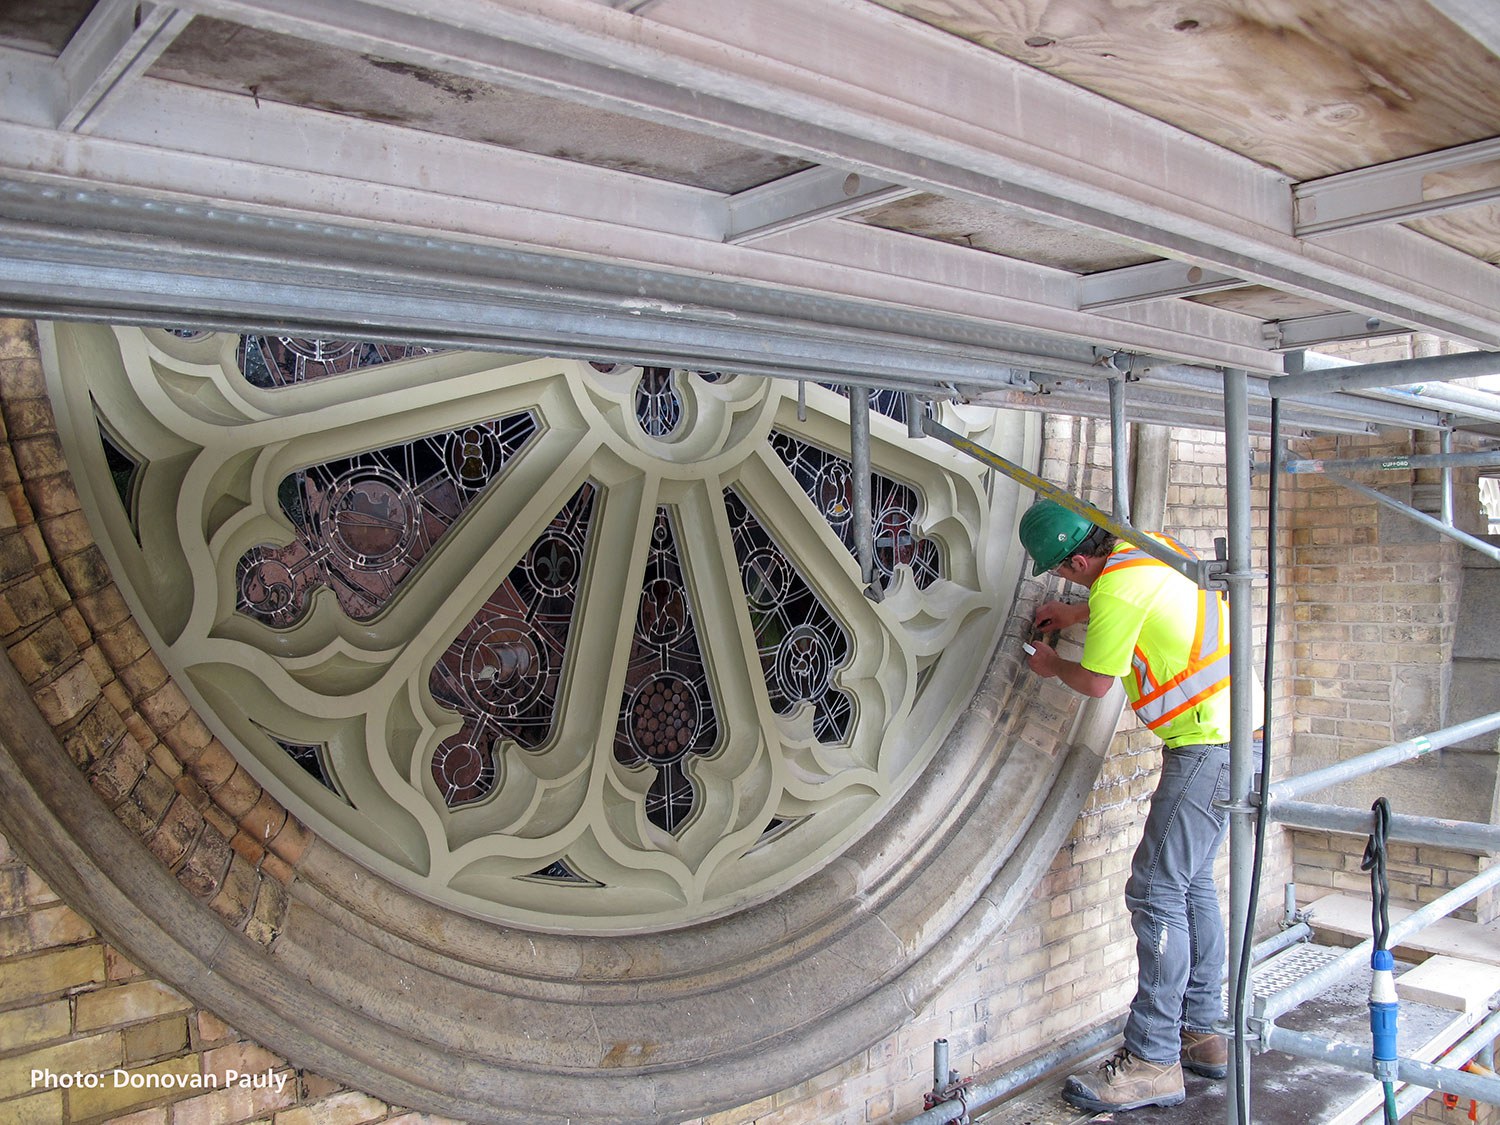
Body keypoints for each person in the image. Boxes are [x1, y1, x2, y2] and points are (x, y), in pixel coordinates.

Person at [1017, 499, 1262, 1113]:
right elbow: (1142, 601)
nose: (1069, 583)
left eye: (1067, 575)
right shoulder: (1144, 546)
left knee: (1153, 891)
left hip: (1206, 747)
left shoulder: (1118, 589)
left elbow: (1099, 683)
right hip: (1238, 736)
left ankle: (1152, 1060)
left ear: (1078, 558)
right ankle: (1205, 1033)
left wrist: (1050, 664)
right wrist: (1078, 611)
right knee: (1191, 884)